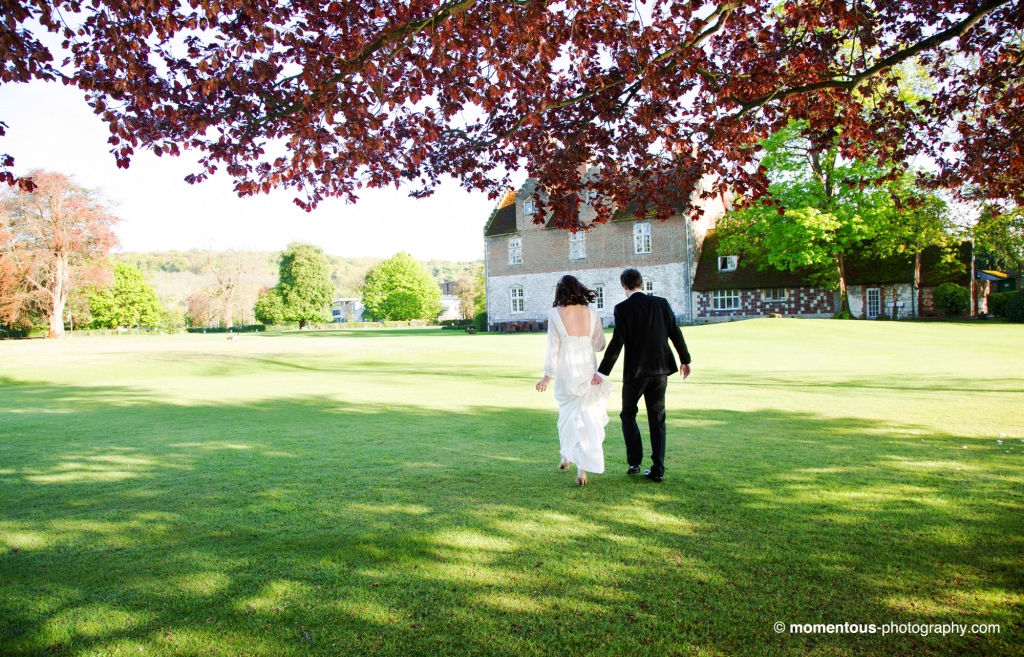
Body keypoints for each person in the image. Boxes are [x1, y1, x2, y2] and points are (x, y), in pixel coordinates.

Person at [592, 268, 691, 483]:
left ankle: (634, 462)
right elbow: (675, 332)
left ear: (624, 286)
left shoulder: (623, 308)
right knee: (657, 419)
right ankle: (658, 469)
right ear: (641, 283)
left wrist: (602, 371)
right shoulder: (661, 303)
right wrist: (685, 360)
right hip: (660, 370)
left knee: (628, 414)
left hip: (636, 372)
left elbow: (617, 342)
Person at [536, 275, 612, 486]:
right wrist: (586, 339)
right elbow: (600, 345)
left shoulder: (555, 313)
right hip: (587, 371)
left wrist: (547, 376)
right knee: (586, 418)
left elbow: (553, 348)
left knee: (567, 416)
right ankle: (582, 469)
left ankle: (565, 457)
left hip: (565, 371)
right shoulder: (592, 312)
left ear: (560, 291)